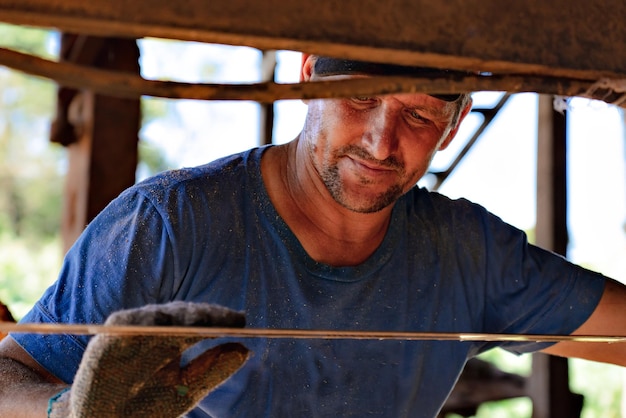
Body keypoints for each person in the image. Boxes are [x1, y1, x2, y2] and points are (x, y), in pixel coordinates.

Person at [0, 54, 625, 417]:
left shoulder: (468, 256)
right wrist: (64, 413)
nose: (381, 142)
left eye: (417, 115)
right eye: (360, 99)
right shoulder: (170, 224)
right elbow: (9, 375)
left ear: (455, 124)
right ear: (306, 79)